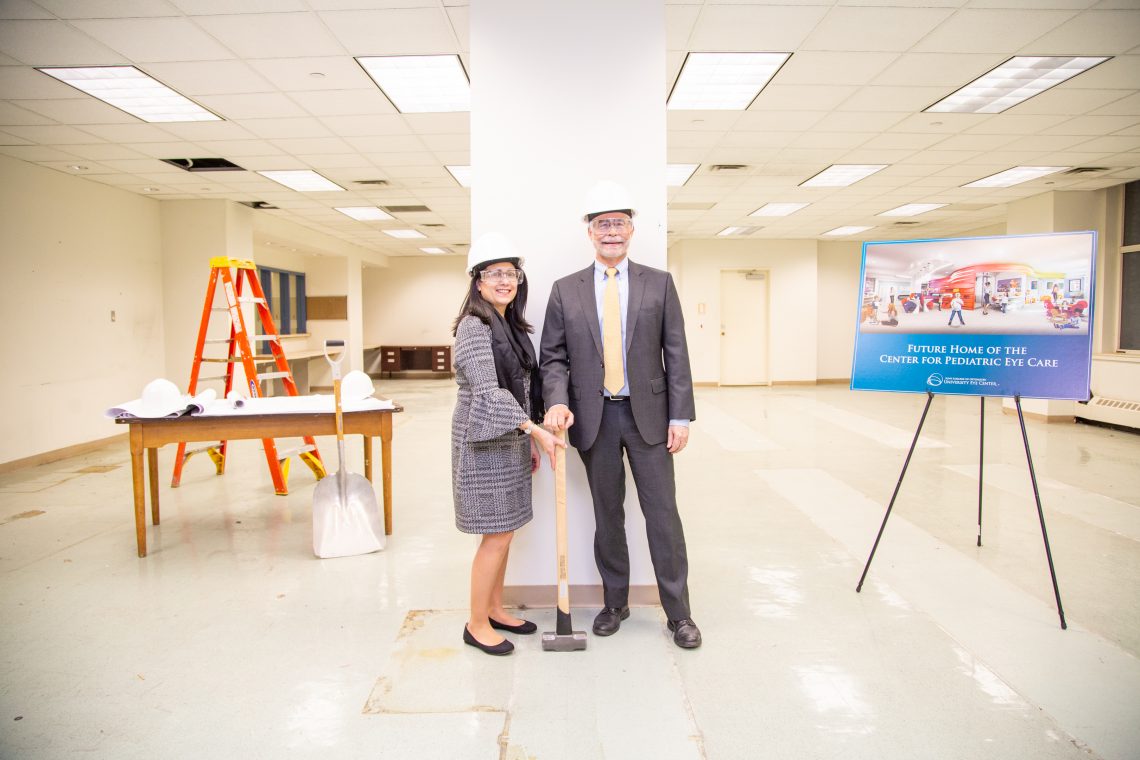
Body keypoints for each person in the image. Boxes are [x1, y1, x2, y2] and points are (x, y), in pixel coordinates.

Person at [540, 180, 701, 649]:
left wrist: (681, 416)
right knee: (607, 516)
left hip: (650, 416)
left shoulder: (659, 282)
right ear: (589, 232)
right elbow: (553, 357)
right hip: (594, 419)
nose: (611, 232)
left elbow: (677, 352)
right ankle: (615, 603)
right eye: (602, 225)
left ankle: (679, 614)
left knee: (663, 515)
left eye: (619, 224)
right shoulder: (565, 290)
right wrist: (556, 398)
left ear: (631, 230)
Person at [451, 232, 564, 656]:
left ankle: (495, 608)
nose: (504, 280)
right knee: (494, 535)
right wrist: (537, 432)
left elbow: (522, 386)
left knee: (506, 531)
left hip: (510, 438)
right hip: (482, 442)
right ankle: (476, 623)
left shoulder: (512, 326)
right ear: (477, 281)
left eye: (511, 273)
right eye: (494, 273)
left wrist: (529, 438)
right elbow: (487, 392)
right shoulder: (473, 327)